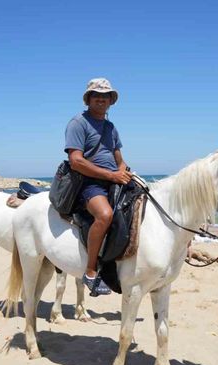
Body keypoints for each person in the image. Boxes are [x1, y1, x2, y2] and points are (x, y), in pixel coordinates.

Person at [64, 77, 131, 296]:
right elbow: (76, 161)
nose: (101, 100)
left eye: (105, 97)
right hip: (89, 183)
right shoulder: (78, 123)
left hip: (112, 179)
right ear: (88, 99)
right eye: (97, 96)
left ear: (111, 101)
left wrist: (123, 170)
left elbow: (119, 157)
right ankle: (91, 271)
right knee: (104, 215)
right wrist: (112, 175)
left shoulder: (111, 127)